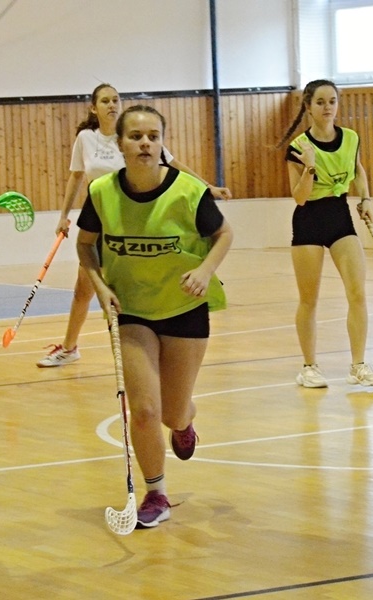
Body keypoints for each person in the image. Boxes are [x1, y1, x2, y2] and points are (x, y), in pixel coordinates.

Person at [76, 105, 233, 528]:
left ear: (162, 143)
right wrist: (99, 285)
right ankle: (156, 494)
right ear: (120, 144)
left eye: (153, 136)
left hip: (184, 308)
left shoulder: (187, 191)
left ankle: (184, 422)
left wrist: (205, 271)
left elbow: (224, 233)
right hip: (131, 310)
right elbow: (85, 244)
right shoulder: (102, 192)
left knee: (171, 413)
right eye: (135, 137)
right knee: (144, 410)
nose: (145, 143)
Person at [37, 83, 232, 368]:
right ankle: (69, 347)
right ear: (94, 108)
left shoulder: (139, 134)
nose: (112, 105)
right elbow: (76, 176)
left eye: (115, 100)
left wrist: (207, 186)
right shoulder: (86, 138)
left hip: (141, 221)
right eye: (105, 101)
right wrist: (63, 215)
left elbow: (173, 164)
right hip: (104, 220)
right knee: (84, 289)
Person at [280, 79, 373, 389]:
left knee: (357, 292)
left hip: (340, 216)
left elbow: (358, 169)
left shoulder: (351, 138)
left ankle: (359, 366)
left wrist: (365, 198)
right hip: (309, 220)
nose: (328, 107)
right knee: (309, 300)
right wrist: (310, 167)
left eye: (332, 101)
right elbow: (299, 197)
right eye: (321, 102)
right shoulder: (298, 147)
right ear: (308, 107)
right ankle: (309, 367)